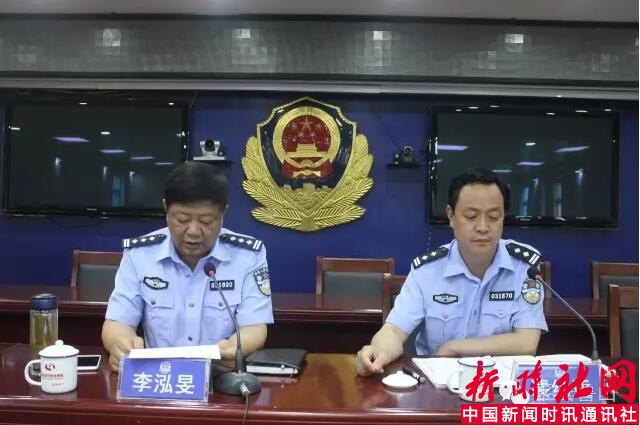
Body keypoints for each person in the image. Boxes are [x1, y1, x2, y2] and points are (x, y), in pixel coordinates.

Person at [356, 168, 547, 376]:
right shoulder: (427, 271)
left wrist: (455, 347)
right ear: (451, 216)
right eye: (471, 216)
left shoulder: (525, 268)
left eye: (493, 217)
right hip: (436, 383)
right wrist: (378, 351)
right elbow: (394, 330)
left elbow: (527, 342)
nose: (483, 227)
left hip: (500, 385)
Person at [102, 161, 273, 373]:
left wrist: (235, 348)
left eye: (206, 221)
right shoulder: (140, 255)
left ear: (223, 213)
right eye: (182, 219)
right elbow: (118, 322)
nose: (193, 231)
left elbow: (255, 325)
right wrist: (121, 344)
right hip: (159, 378)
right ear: (166, 209)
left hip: (219, 378)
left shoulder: (248, 256)